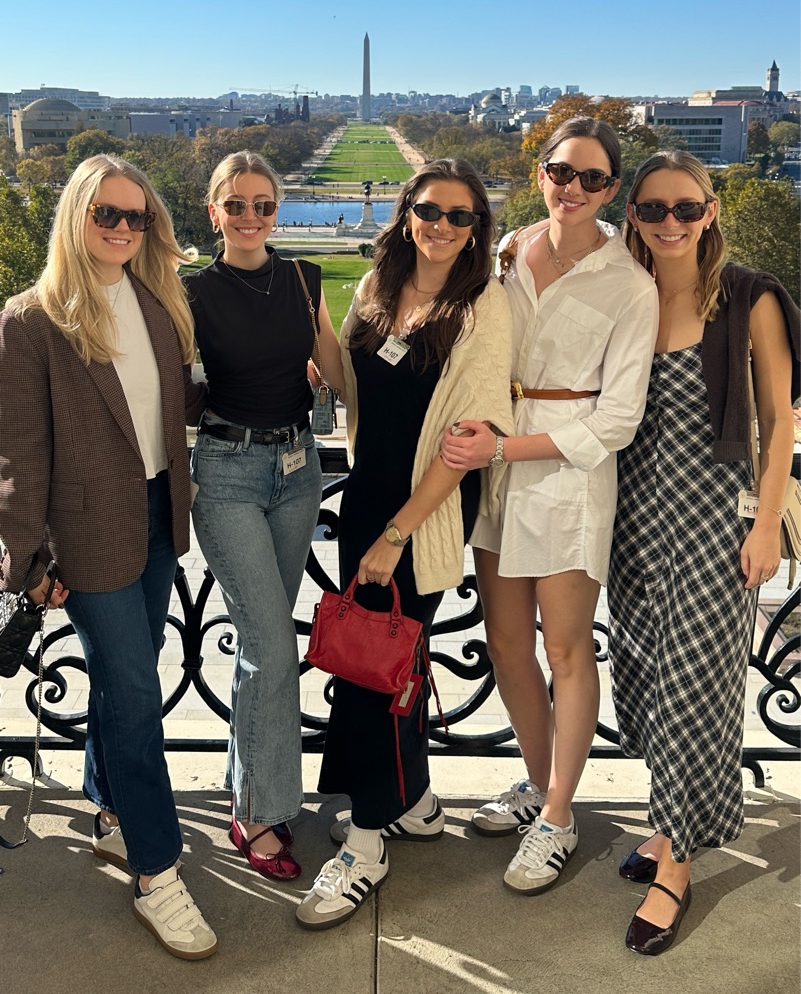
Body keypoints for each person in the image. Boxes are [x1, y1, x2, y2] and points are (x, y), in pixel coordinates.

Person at [0, 155, 216, 959]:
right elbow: (18, 456)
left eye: (137, 217)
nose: (124, 228)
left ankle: (111, 809)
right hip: (87, 534)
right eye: (108, 215)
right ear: (77, 218)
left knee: (131, 675)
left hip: (158, 514)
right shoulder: (31, 321)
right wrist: (28, 561)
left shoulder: (157, 300)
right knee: (133, 692)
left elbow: (173, 403)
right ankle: (157, 871)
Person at [441, 118, 659, 895]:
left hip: (564, 473)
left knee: (566, 651)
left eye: (591, 178)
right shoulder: (508, 250)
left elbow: (617, 419)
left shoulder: (629, 284)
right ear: (540, 174)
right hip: (497, 460)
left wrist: (505, 449)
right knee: (506, 644)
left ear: (611, 190)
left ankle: (560, 817)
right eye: (560, 171)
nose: (572, 188)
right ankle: (540, 787)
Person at [296, 158, 515, 930]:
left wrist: (397, 534)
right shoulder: (377, 289)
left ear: (477, 229)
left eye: (460, 216)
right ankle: (413, 803)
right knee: (387, 658)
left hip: (421, 513)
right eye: (429, 210)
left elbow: (466, 443)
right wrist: (310, 314)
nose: (442, 226)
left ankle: (366, 844)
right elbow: (349, 385)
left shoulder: (482, 306)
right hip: (366, 499)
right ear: (406, 215)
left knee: (373, 672)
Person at [607, 150, 799, 955]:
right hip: (628, 523)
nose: (670, 223)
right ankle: (669, 821)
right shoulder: (620, 291)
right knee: (645, 684)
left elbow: (779, 419)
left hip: (714, 523)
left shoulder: (747, 296)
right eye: (653, 209)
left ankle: (678, 864)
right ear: (632, 215)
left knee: (695, 693)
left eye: (686, 208)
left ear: (710, 211)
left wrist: (764, 524)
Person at [184, 151, 344, 883]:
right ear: (213, 211)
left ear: (277, 211)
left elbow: (335, 366)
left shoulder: (303, 278)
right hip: (226, 472)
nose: (251, 217)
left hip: (298, 470)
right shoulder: (190, 291)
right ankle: (259, 810)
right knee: (273, 649)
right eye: (236, 204)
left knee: (263, 644)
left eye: (264, 205)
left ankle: (247, 787)